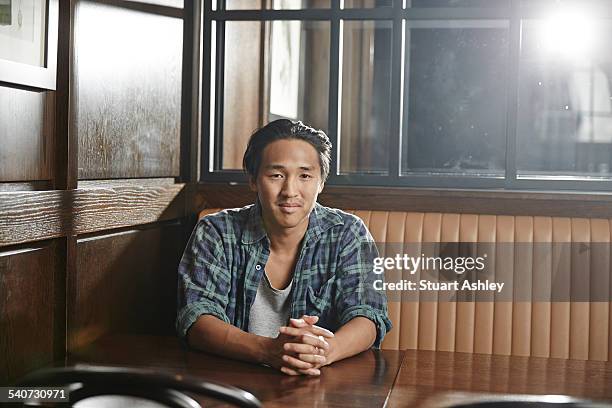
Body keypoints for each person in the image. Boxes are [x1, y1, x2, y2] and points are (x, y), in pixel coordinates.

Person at [176, 119, 391, 376]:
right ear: (253, 179)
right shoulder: (217, 232)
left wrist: (322, 351)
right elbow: (197, 318)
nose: (290, 191)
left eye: (305, 176)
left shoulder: (348, 233)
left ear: (321, 182)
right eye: (276, 175)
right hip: (232, 381)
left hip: (320, 384)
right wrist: (269, 351)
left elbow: (369, 315)